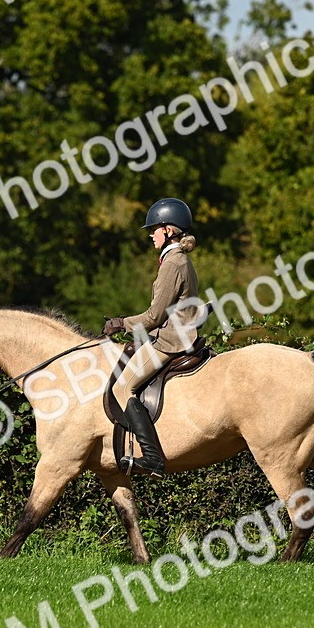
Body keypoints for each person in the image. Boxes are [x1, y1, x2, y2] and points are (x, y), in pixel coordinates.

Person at [102, 198, 202, 477]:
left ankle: (152, 457)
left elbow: (155, 316)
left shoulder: (173, 263)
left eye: (154, 229)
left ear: (168, 230)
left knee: (122, 388)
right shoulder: (177, 259)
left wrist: (121, 323)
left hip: (172, 339)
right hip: (170, 333)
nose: (150, 234)